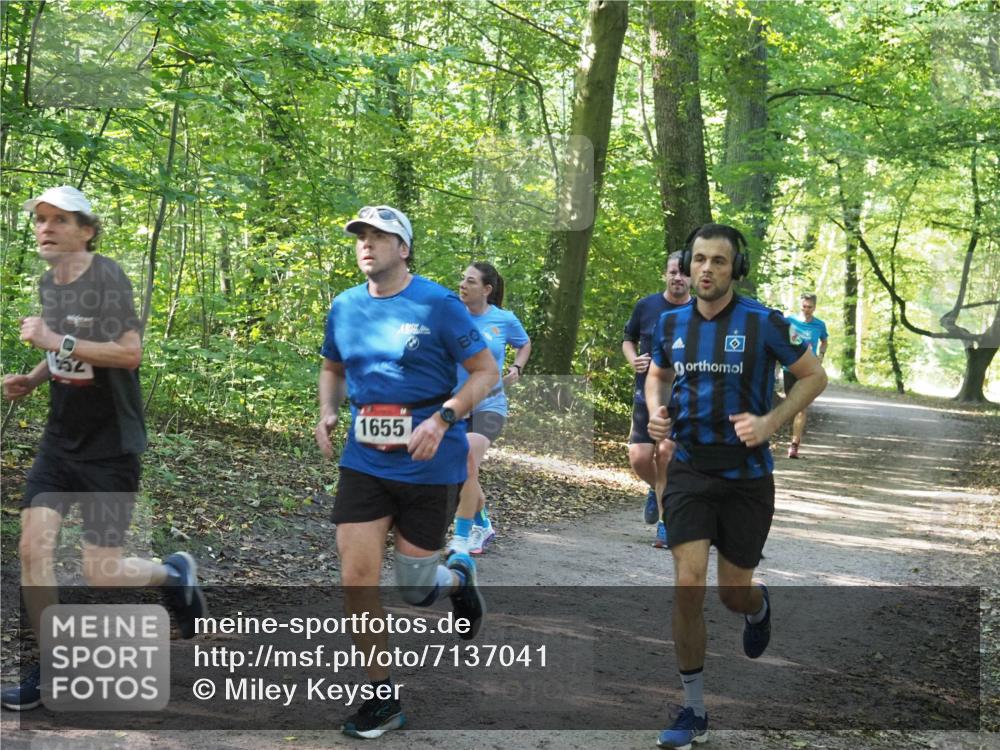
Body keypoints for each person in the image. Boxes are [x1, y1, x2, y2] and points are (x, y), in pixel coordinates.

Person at [0, 186, 205, 711]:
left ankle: (172, 573)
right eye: (40, 220)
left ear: (87, 230)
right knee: (31, 550)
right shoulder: (52, 283)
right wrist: (35, 376)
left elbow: (128, 354)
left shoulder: (108, 278)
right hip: (59, 444)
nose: (45, 228)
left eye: (59, 220)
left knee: (101, 569)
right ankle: (48, 668)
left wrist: (55, 344)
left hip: (111, 447)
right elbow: (65, 344)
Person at [315, 205, 499, 739]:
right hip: (365, 459)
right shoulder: (345, 306)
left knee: (415, 589)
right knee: (356, 579)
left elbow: (484, 372)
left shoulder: (439, 304)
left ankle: (456, 577)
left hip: (429, 461)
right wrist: (329, 409)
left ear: (404, 248)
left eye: (380, 236)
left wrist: (443, 419)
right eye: (361, 236)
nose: (367, 244)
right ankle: (381, 697)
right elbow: (332, 367)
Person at [645, 223, 827, 748]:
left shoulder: (764, 322)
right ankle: (693, 709)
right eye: (698, 259)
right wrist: (658, 411)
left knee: (731, 593)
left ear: (735, 268)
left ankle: (757, 604)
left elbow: (814, 376)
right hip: (690, 471)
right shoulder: (672, 322)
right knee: (687, 585)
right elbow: (658, 373)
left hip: (748, 479)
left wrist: (771, 421)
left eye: (718, 261)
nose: (706, 269)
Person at [447, 262, 531, 556]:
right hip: (457, 406)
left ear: (486, 289)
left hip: (491, 404)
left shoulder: (504, 319)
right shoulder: (453, 316)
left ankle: (465, 532)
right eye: (462, 279)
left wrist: (517, 367)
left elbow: (524, 343)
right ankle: (482, 520)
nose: (462, 285)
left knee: (468, 458)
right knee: (461, 469)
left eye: (470, 281)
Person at [622, 251, 691, 548]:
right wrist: (632, 359)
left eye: (683, 273)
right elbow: (628, 338)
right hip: (645, 395)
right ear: (665, 274)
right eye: (673, 272)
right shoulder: (647, 306)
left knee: (665, 454)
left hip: (681, 398)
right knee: (639, 458)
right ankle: (657, 490)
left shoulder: (700, 311)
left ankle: (665, 524)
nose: (678, 277)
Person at [784, 293, 828, 458]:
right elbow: (781, 341)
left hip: (808, 371)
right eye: (804, 306)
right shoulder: (790, 321)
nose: (806, 309)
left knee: (801, 408)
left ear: (814, 307)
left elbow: (824, 341)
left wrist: (821, 356)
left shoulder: (819, 325)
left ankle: (794, 445)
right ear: (800, 305)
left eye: (810, 307)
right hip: (790, 368)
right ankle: (791, 436)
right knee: (790, 407)